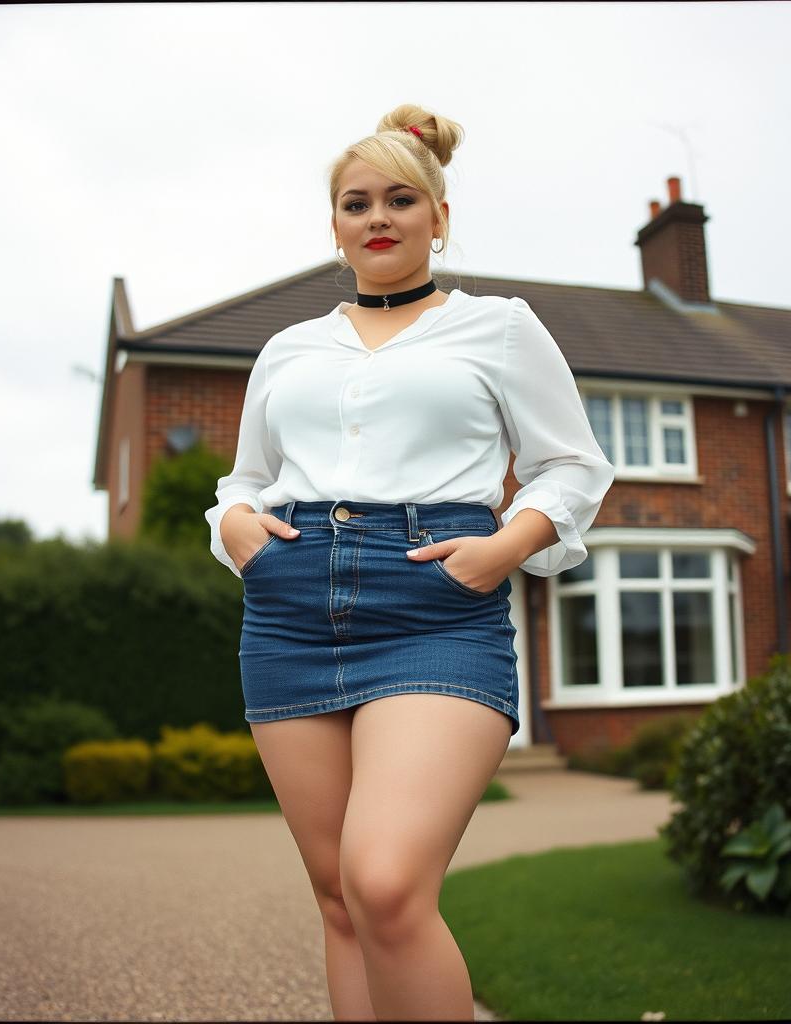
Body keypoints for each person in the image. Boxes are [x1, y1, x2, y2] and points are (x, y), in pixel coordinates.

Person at [204, 103, 615, 1021]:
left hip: (434, 602)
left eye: (399, 198)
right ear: (336, 226)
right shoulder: (287, 348)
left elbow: (574, 463)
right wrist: (235, 529)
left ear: (438, 215)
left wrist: (504, 547)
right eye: (357, 203)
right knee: (341, 901)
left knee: (385, 882)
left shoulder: (500, 326)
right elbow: (246, 477)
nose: (378, 217)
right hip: (290, 608)